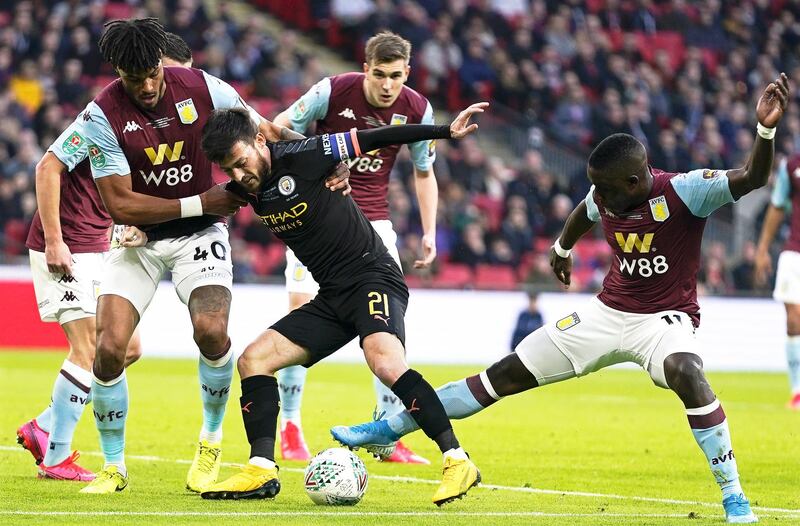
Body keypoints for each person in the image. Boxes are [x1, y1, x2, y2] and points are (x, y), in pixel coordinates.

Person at [332, 75, 789, 524]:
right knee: (501, 375)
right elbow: (582, 212)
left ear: (635, 181)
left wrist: (764, 130)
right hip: (606, 314)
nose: (600, 197)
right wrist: (561, 248)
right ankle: (387, 430)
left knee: (687, 371)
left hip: (664, 321)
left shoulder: (686, 191)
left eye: (607, 190)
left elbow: (753, 176)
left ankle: (734, 496)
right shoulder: (608, 191)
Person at [74, 18, 347, 495]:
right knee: (109, 350)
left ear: (161, 62)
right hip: (139, 238)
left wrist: (327, 160)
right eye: (134, 78)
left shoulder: (203, 87)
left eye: (153, 73)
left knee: (211, 330)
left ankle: (211, 439)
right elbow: (118, 204)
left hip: (200, 235)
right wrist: (203, 201)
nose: (147, 85)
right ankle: (114, 466)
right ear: (118, 72)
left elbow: (264, 131)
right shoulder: (101, 115)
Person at [187, 102, 488, 505]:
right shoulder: (244, 188)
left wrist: (444, 132)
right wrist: (142, 228)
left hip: (372, 277)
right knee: (253, 360)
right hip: (331, 296)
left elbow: (376, 137)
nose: (240, 174)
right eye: (231, 169)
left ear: (260, 140)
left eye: (242, 161)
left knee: (384, 362)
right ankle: (260, 469)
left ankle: (457, 460)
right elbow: (197, 207)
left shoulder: (306, 155)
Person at [15, 32, 194, 482]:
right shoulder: (104, 116)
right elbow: (47, 167)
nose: (168, 85)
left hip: (98, 241)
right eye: (166, 74)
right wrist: (55, 240)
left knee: (126, 348)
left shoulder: (157, 121)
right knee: (91, 348)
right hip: (68, 242)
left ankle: (43, 425)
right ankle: (55, 457)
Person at [270, 31, 437, 464]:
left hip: (374, 225)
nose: (387, 85)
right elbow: (275, 130)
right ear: (366, 69)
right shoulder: (331, 91)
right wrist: (321, 158)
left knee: (389, 331)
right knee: (297, 318)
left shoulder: (417, 108)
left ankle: (387, 432)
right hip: (315, 218)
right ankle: (290, 426)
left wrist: (429, 231)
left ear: (407, 73)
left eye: (396, 76)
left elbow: (423, 172)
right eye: (379, 74)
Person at [754, 156, 800, 410]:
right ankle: (797, 391)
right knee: (794, 318)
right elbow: (777, 205)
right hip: (795, 251)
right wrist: (762, 250)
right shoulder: (791, 166)